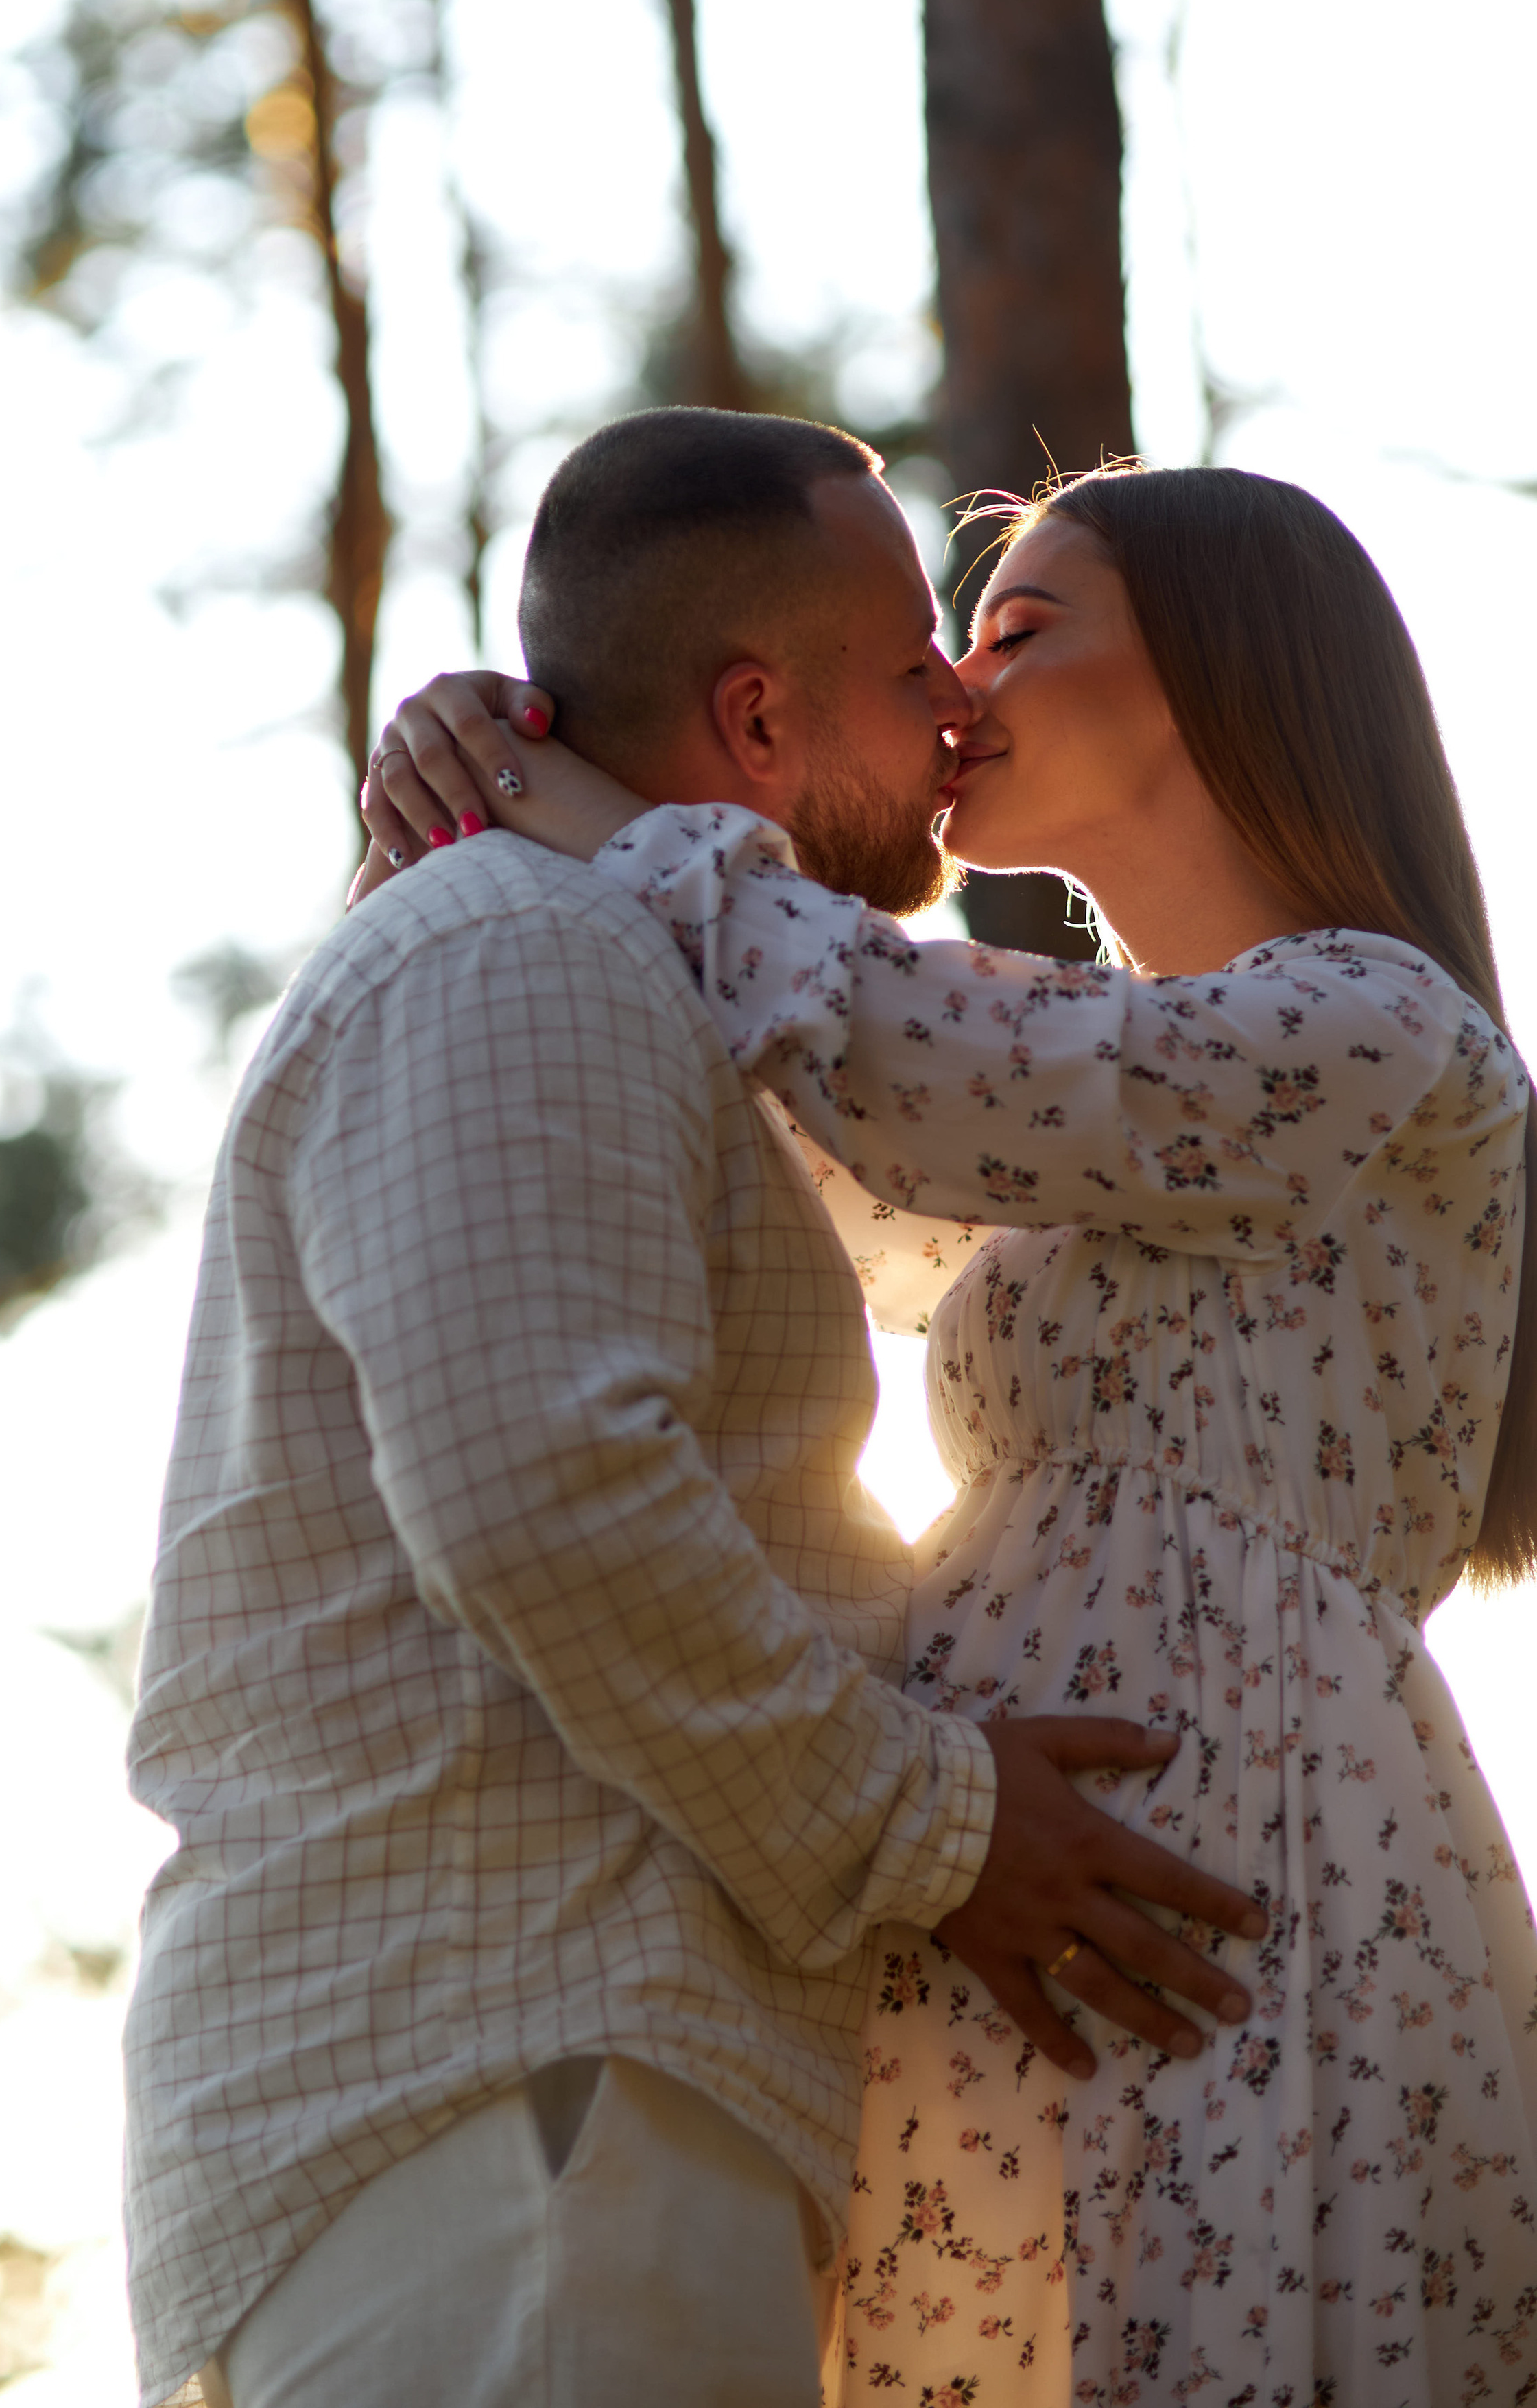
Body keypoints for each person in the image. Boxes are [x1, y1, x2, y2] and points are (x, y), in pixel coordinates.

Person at [121, 411, 1265, 2408]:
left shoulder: (615, 978)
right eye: (919, 661)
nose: (953, 709)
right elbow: (542, 1495)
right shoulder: (519, 955)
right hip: (525, 2097)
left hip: (545, 2109)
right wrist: (952, 1824)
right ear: (754, 716)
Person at [369, 455, 1537, 2400]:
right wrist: (494, 764)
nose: (957, 687)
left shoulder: (1375, 1029)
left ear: (1225, 675)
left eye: (1019, 625)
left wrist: (582, 803)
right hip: (1012, 1898)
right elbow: (762, 1159)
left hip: (1235, 1878)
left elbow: (897, 1055)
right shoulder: (1090, 1104)